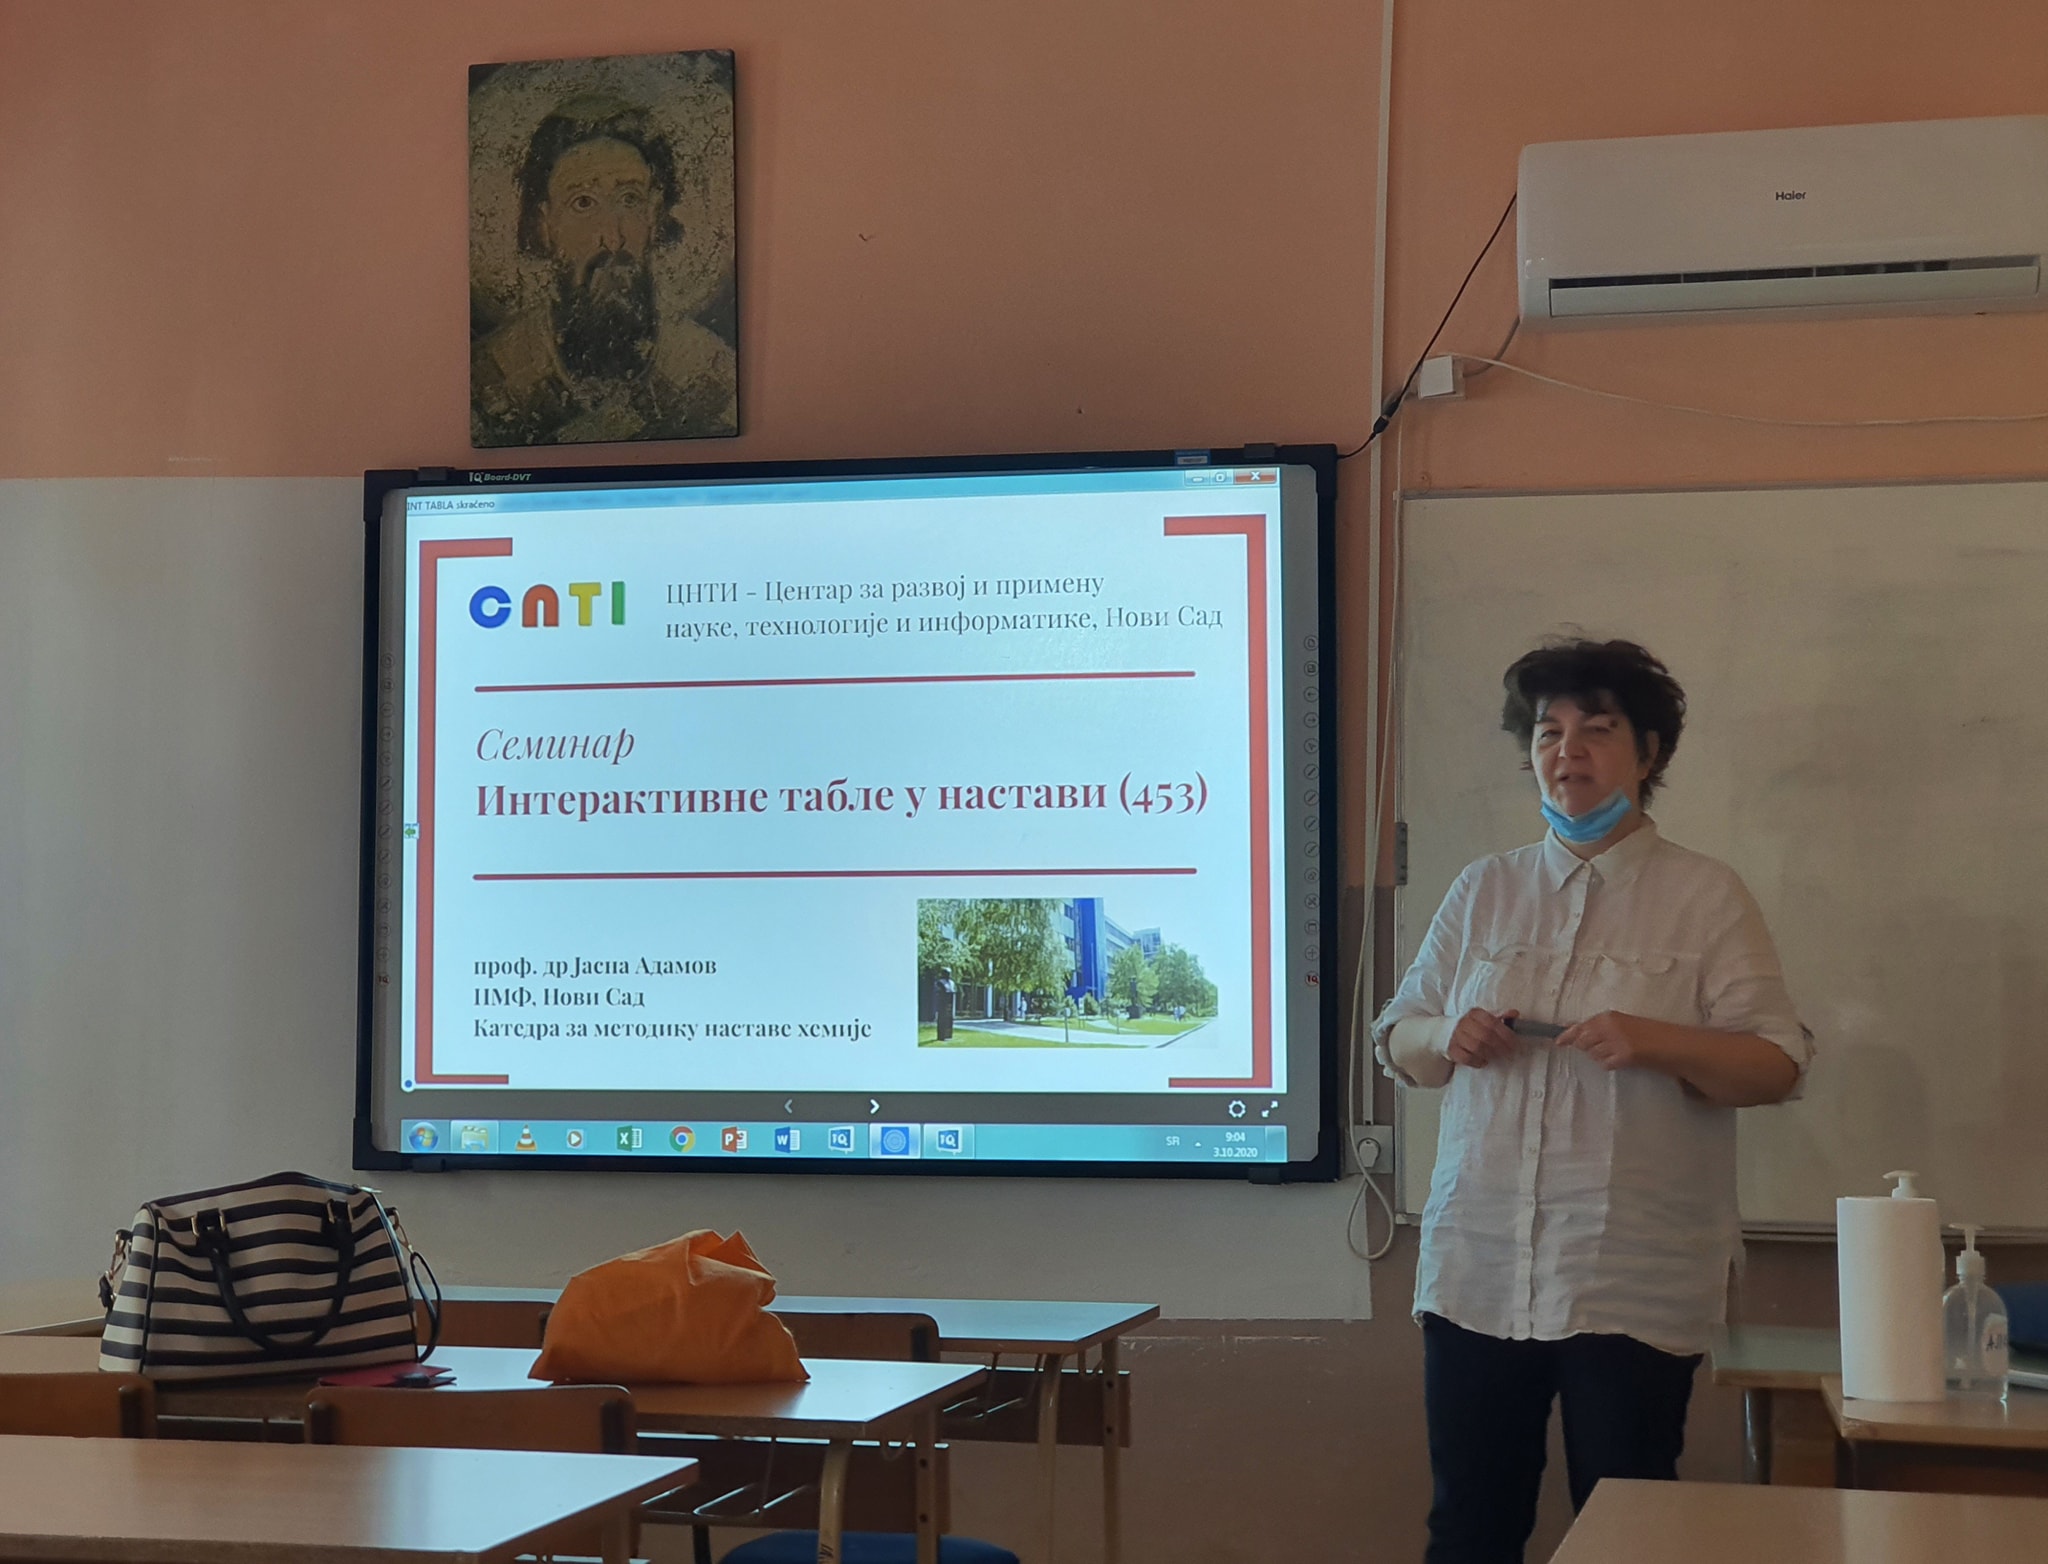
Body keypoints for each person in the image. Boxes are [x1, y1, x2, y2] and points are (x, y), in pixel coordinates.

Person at [1373, 638, 1812, 1564]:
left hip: (1631, 1274)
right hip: (1479, 1264)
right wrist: (1446, 1033)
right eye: (1548, 733)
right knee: (1469, 1527)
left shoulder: (1705, 894)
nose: (1567, 751)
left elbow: (1774, 1065)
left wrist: (1656, 1040)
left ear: (1648, 754)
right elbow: (1398, 1038)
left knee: (1627, 1534)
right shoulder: (1484, 888)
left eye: (1597, 730)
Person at [472, 93, 737, 447]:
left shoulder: (711, 374)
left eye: (629, 199)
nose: (613, 239)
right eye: (583, 203)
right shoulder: (491, 376)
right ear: (545, 225)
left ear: (654, 216)